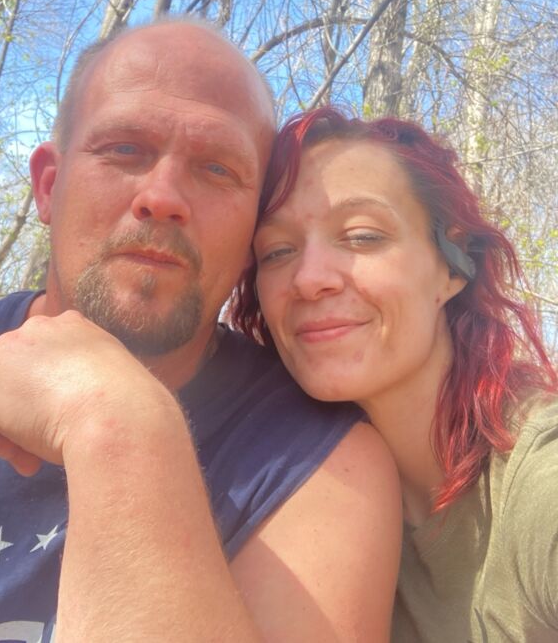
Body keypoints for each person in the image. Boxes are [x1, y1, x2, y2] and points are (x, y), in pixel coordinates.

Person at [0, 21, 402, 643]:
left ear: (252, 237)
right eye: (124, 149)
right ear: (48, 186)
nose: (163, 196)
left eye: (217, 168)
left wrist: (117, 423)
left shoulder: (322, 466)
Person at [233, 106, 558, 643]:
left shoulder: (537, 477)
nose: (308, 279)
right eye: (278, 250)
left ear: (453, 265)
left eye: (362, 237)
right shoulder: (280, 487)